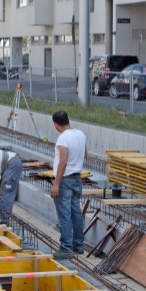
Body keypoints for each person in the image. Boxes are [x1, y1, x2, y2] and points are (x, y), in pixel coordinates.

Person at [50, 111, 86, 259]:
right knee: (76, 212)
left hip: (65, 180)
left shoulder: (63, 138)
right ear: (68, 119)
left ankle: (66, 248)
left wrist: (56, 184)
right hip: (77, 179)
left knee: (65, 215)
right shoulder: (81, 134)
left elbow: (63, 162)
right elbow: (85, 154)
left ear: (55, 124)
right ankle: (78, 245)